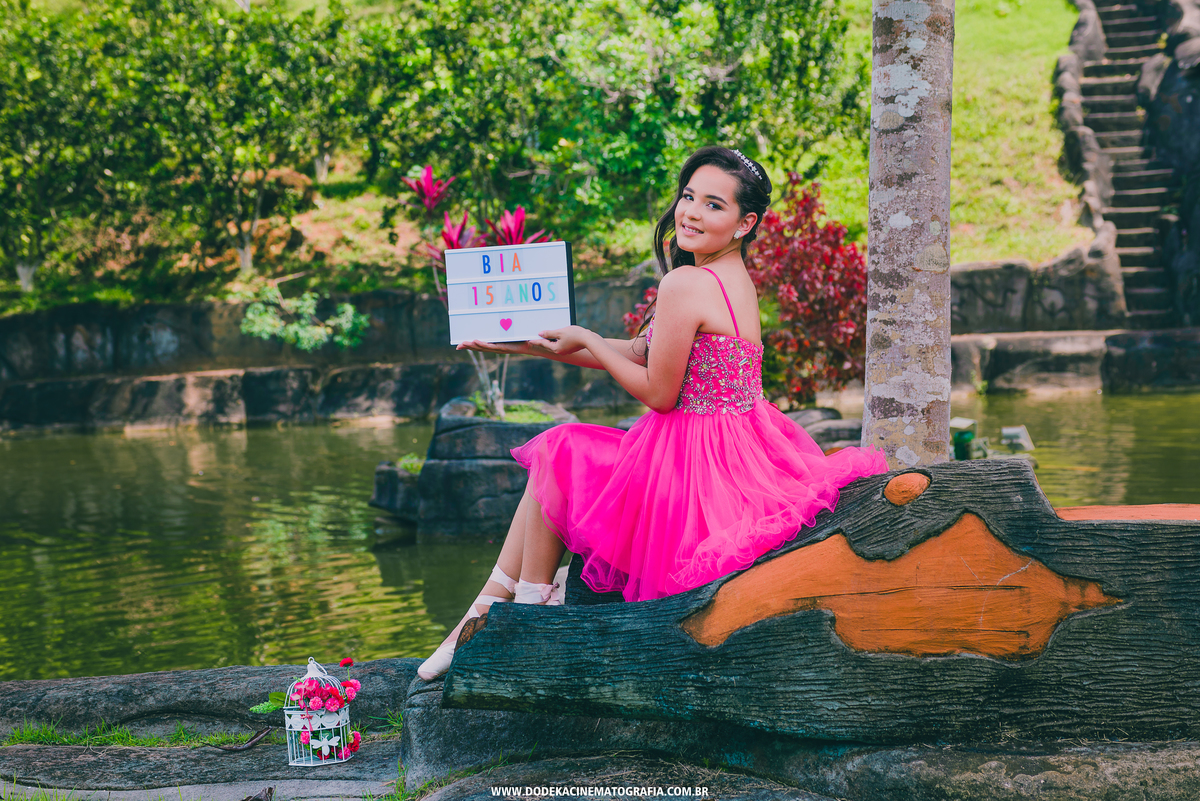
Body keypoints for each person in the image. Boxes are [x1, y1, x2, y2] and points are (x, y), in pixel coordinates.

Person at [417, 146, 889, 681]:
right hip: (735, 453)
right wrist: (520, 343)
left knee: (560, 449)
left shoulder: (686, 283)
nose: (691, 212)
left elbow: (660, 394)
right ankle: (492, 610)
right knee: (557, 462)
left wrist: (590, 339)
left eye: (713, 204)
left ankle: (519, 621)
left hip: (696, 467)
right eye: (688, 196)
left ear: (745, 223)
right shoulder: (731, 277)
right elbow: (643, 352)